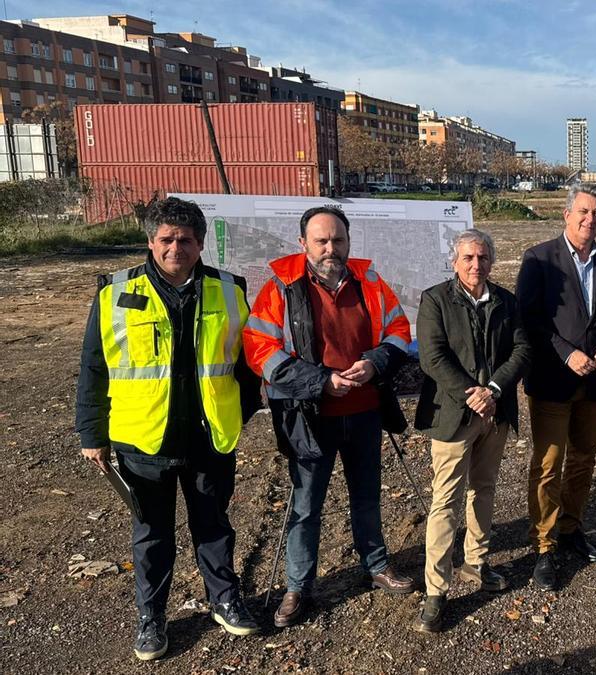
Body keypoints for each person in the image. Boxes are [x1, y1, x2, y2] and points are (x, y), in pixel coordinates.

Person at [76, 197, 262, 660]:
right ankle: (151, 617)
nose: (175, 246)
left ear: (200, 245)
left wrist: (243, 410)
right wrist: (91, 434)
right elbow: (93, 370)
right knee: (152, 534)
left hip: (208, 435)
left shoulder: (229, 289)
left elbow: (247, 363)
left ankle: (224, 599)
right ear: (150, 241)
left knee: (214, 526)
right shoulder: (114, 293)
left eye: (185, 239)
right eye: (166, 238)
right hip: (143, 439)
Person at [243, 206, 415, 629]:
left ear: (348, 241)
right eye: (321, 240)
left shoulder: (369, 281)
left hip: (364, 413)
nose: (330, 248)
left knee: (367, 495)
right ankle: (298, 586)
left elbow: (399, 330)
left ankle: (376, 565)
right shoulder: (281, 288)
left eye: (337, 239)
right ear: (303, 244)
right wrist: (320, 381)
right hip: (310, 417)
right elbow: (259, 347)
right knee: (305, 506)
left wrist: (375, 362)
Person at [411, 229, 531, 632]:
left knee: (485, 489)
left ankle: (476, 563)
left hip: (495, 412)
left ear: (491, 262)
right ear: (454, 261)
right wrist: (471, 393)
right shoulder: (435, 300)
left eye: (482, 258)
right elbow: (432, 356)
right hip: (454, 415)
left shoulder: (506, 301)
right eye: (468, 258)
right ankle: (435, 589)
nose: (475, 265)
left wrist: (494, 388)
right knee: (446, 500)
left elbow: (522, 349)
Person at [516, 182, 596, 590]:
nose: (589, 218)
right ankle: (544, 546)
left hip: (595, 382)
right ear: (566, 214)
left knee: (583, 459)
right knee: (548, 465)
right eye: (582, 211)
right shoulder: (539, 258)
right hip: (552, 382)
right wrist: (565, 353)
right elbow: (529, 319)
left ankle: (570, 528)